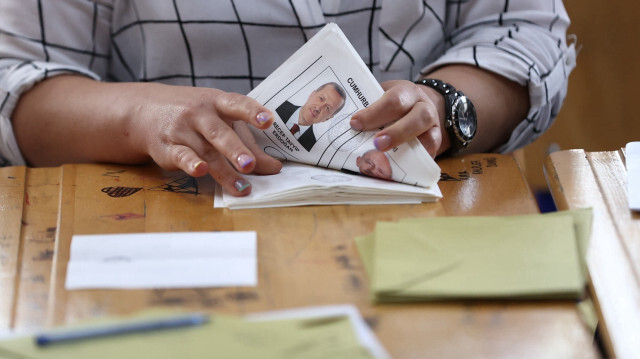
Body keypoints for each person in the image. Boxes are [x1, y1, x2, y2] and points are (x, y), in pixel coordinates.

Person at [0, 1, 576, 197]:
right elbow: (14, 75)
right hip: (159, 215)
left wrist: (442, 105)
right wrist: (139, 118)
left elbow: (523, 28)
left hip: (428, 208)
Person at [276, 82, 346, 152]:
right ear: (312, 95)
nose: (318, 108)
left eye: (327, 108)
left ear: (327, 118)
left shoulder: (311, 148)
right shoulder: (278, 105)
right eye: (321, 98)